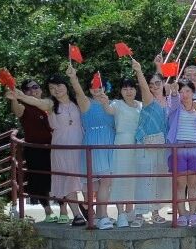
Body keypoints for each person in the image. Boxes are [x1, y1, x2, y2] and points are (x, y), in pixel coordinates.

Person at [13, 76, 88, 224]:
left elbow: (82, 95)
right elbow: (37, 102)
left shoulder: (76, 102)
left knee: (85, 179)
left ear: (65, 85)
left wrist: (74, 77)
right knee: (67, 179)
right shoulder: (51, 104)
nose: (56, 89)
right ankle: (77, 215)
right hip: (62, 146)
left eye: (58, 85)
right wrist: (19, 96)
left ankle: (89, 209)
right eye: (52, 88)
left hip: (81, 144)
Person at [68, 65, 116, 229]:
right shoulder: (86, 102)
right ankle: (102, 216)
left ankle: (99, 216)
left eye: (100, 85)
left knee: (105, 183)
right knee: (103, 181)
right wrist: (73, 78)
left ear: (105, 87)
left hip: (110, 142)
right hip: (95, 143)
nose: (96, 89)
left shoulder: (111, 103)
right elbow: (78, 92)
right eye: (93, 86)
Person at [7, 78, 54, 221]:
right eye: (28, 89)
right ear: (24, 92)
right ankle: (48, 211)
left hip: (54, 147)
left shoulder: (48, 104)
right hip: (35, 149)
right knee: (39, 180)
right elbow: (17, 111)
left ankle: (63, 210)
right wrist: (14, 99)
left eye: (35, 87)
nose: (33, 90)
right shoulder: (24, 106)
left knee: (58, 177)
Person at [166, 79, 196, 226]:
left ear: (193, 92)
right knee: (180, 183)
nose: (184, 94)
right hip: (178, 148)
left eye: (187, 91)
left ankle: (193, 213)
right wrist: (173, 93)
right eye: (181, 91)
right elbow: (172, 103)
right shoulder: (175, 106)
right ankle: (182, 214)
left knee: (194, 183)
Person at [131, 59, 168, 223]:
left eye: (157, 83)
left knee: (158, 180)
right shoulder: (148, 100)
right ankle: (139, 214)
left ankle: (155, 213)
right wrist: (139, 71)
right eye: (151, 84)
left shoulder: (169, 101)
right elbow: (145, 88)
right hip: (145, 144)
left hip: (162, 145)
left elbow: (162, 79)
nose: (154, 86)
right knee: (143, 179)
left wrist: (158, 66)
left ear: (163, 83)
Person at [104, 77, 142, 227]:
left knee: (134, 179)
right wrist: (104, 100)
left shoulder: (141, 105)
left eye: (131, 88)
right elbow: (108, 109)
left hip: (137, 144)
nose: (128, 91)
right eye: (125, 89)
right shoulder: (117, 104)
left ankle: (130, 211)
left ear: (136, 90)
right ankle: (120, 214)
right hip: (121, 143)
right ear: (120, 91)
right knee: (120, 178)